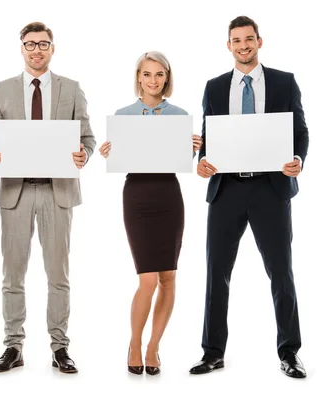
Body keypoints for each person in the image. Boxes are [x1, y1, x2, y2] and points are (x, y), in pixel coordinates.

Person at [189, 16, 309, 378]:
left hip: (270, 190)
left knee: (281, 273)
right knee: (216, 273)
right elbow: (209, 136)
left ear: (259, 41)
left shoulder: (283, 82)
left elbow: (300, 131)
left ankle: (289, 352)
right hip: (226, 190)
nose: (243, 45)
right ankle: (213, 352)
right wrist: (201, 162)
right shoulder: (214, 87)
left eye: (248, 39)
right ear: (228, 45)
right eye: (236, 40)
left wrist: (298, 160)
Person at [0, 22, 96, 374]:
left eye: (43, 44)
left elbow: (88, 138)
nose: (36, 50)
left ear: (52, 48)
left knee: (57, 275)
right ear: (21, 48)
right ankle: (13, 345)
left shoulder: (72, 89)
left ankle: (60, 347)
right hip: (15, 193)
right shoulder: (2, 90)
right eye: (30, 44)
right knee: (12, 275)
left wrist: (84, 155)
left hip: (56, 192)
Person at [99, 52, 202, 375]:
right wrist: (108, 152)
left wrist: (194, 149)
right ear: (138, 77)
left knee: (168, 278)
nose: (153, 80)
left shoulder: (180, 116)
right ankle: (134, 343)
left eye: (159, 74)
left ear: (167, 78)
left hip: (168, 195)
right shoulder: (123, 115)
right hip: (138, 196)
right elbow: (123, 159)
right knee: (147, 279)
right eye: (147, 74)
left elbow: (182, 160)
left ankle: (154, 346)